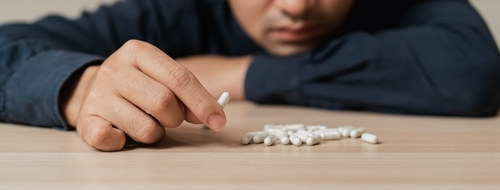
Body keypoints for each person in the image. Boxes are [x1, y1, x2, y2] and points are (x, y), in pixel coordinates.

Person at [0, 0, 499, 151]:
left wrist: (240, 74)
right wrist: (80, 86)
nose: (297, 5)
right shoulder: (174, 12)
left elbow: (471, 70)